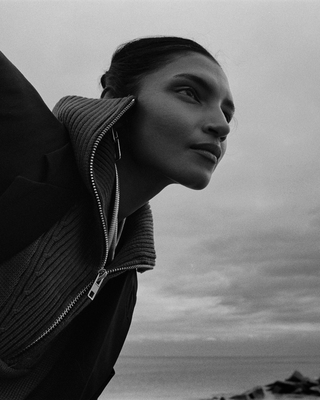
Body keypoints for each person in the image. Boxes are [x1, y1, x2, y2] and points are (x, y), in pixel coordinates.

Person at [0, 36, 235, 399]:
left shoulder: (124, 275)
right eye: (190, 93)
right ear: (114, 100)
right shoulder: (18, 134)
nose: (222, 126)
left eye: (227, 112)